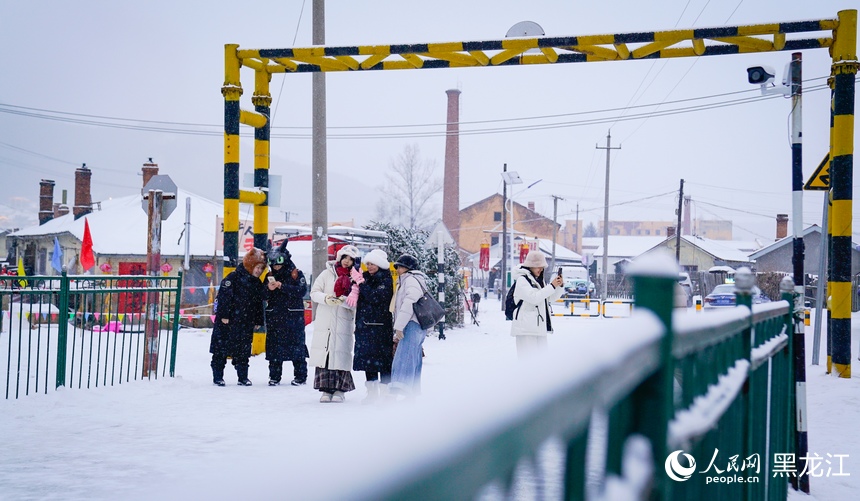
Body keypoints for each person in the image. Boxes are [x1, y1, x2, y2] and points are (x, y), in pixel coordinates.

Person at [309, 245, 361, 403]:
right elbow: (314, 292)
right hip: (325, 320)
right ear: (339, 257)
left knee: (340, 354)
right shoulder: (326, 274)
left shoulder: (356, 278)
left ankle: (340, 389)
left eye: (351, 259)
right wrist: (326, 298)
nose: (347, 261)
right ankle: (325, 389)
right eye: (345, 257)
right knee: (326, 354)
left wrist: (343, 301)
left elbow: (356, 302)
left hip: (343, 321)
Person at [209, 248, 269, 386]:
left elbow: (259, 302)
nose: (259, 271)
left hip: (245, 322)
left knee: (243, 351)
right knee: (221, 351)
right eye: (257, 267)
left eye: (261, 268)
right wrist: (224, 315)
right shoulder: (233, 278)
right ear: (250, 265)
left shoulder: (256, 283)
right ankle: (218, 377)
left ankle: (243, 377)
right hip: (227, 322)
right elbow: (223, 297)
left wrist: (258, 320)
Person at [264, 239, 309, 386]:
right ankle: (274, 376)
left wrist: (283, 287)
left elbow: (302, 291)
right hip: (275, 318)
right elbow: (262, 295)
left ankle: (300, 377)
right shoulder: (269, 275)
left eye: (279, 263)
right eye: (273, 263)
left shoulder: (296, 274)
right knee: (275, 348)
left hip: (293, 318)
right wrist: (268, 289)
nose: (276, 266)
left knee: (297, 348)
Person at [352, 248, 394, 403]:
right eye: (368, 264)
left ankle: (385, 393)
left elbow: (375, 297)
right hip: (364, 326)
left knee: (383, 361)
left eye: (373, 264)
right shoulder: (364, 277)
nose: (369, 267)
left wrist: (361, 284)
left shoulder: (386, 280)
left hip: (381, 327)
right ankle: (371, 392)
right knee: (367, 360)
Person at [510, 250, 564, 360]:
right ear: (530, 266)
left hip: (539, 328)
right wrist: (552, 286)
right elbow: (533, 298)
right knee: (527, 363)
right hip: (526, 329)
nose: (540, 269)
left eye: (542, 267)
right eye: (537, 266)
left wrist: (559, 286)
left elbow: (549, 298)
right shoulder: (522, 280)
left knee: (541, 364)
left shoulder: (538, 281)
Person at [390, 254, 429, 398]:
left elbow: (409, 302)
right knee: (414, 357)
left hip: (411, 323)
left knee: (404, 356)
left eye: (399, 266)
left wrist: (399, 326)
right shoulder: (415, 279)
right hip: (418, 323)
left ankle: (399, 390)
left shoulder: (410, 280)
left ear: (406, 268)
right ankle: (412, 391)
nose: (398, 269)